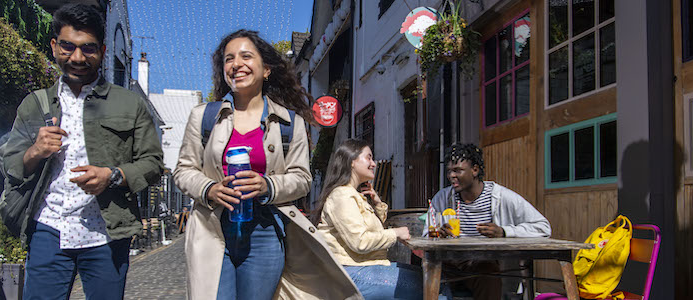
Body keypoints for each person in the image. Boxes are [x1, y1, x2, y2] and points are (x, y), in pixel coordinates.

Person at [173, 29, 361, 300]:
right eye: (229, 59)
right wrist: (209, 188)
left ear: (266, 70)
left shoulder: (290, 123)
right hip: (212, 229)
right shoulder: (203, 117)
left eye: (246, 56)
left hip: (264, 233)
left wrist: (267, 184)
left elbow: (302, 179)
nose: (236, 64)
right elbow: (183, 170)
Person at [1, 4, 164, 299]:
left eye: (88, 49)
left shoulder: (130, 104)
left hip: (106, 232)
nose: (77, 58)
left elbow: (153, 163)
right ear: (54, 46)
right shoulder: (34, 104)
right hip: (48, 228)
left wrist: (113, 176)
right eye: (68, 46)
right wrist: (35, 151)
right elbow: (11, 165)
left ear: (102, 50)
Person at [311, 139, 451, 300]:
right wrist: (395, 233)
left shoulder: (353, 195)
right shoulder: (342, 195)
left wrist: (377, 202)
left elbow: (371, 226)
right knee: (436, 288)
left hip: (363, 266)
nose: (374, 164)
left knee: (437, 279)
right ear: (352, 162)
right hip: (349, 274)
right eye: (368, 158)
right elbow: (360, 242)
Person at [423, 143, 551, 300]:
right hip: (447, 263)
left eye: (457, 170)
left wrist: (504, 232)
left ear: (475, 170)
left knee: (488, 271)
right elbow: (425, 235)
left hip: (480, 264)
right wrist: (436, 234)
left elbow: (543, 227)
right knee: (420, 267)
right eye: (449, 171)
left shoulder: (502, 197)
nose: (451, 176)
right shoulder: (442, 198)